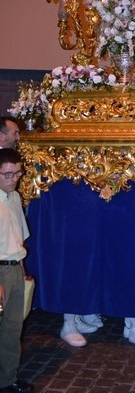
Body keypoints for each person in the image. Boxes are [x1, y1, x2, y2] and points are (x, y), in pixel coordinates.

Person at [0, 148, 34, 393]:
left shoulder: (14, 198)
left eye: (18, 173)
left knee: (12, 330)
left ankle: (6, 380)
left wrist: (22, 269)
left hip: (14, 270)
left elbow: (19, 238)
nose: (14, 179)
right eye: (7, 175)